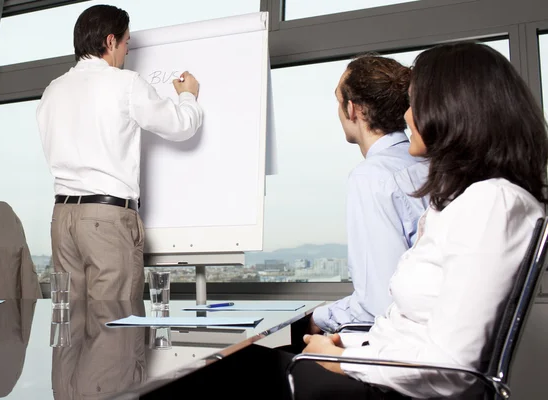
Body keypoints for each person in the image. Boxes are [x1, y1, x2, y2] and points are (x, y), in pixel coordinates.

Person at [145, 41, 548, 400]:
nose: (407, 115)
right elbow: (418, 327)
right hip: (382, 366)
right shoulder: (474, 200)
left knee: (198, 376)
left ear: (453, 108)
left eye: (417, 102)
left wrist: (341, 359)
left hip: (387, 384)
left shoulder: (490, 203)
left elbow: (447, 368)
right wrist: (352, 348)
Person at [36, 5, 203, 301]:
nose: (127, 51)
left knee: (71, 322)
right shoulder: (125, 84)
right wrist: (188, 95)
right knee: (115, 323)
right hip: (106, 217)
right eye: (127, 42)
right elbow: (180, 126)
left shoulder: (52, 90)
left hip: (62, 219)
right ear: (111, 41)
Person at [308, 55, 429, 335]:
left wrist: (317, 318)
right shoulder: (427, 164)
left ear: (353, 109)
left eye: (338, 100)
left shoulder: (373, 177)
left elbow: (378, 304)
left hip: (392, 350)